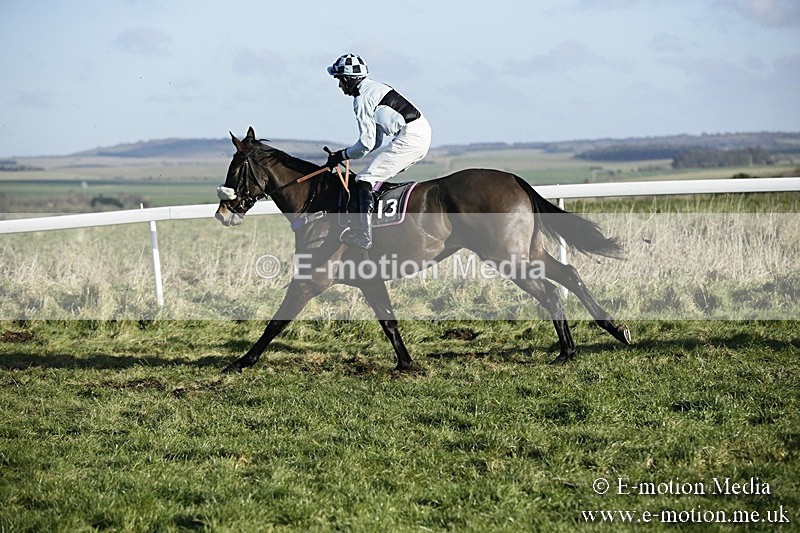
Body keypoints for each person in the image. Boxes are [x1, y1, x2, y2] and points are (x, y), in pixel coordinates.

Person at [325, 53, 432, 250]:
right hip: (419, 132)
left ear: (348, 80)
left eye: (340, 80)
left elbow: (366, 144)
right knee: (372, 176)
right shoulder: (375, 89)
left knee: (364, 179)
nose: (339, 86)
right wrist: (344, 154)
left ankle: (363, 235)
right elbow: (375, 142)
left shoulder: (362, 99)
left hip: (410, 136)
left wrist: (341, 155)